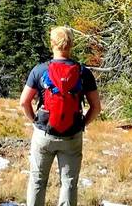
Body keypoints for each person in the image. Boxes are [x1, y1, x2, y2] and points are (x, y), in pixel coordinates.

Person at [20, 26, 101, 206]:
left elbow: (24, 102)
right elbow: (96, 107)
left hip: (44, 134)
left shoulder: (40, 70)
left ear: (52, 44)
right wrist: (82, 124)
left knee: (38, 180)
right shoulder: (83, 72)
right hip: (72, 136)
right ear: (71, 44)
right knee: (69, 183)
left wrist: (34, 120)